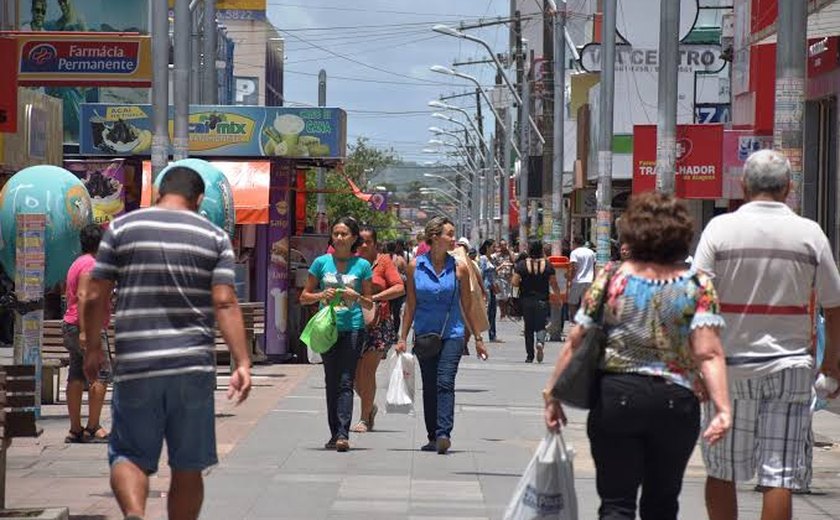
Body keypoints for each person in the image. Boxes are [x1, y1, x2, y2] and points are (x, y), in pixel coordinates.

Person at [544, 192, 732, 520]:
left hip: (617, 397)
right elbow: (709, 352)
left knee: (616, 504)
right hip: (676, 401)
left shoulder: (612, 279)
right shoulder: (697, 284)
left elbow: (576, 339)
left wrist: (553, 394)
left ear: (632, 232)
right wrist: (723, 408)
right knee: (662, 503)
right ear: (682, 235)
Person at [82, 166, 252, 520]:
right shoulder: (214, 237)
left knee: (129, 453)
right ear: (200, 199)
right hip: (192, 366)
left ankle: (133, 513)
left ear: (158, 191)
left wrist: (93, 348)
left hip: (137, 364)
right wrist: (242, 362)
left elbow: (95, 294)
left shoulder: (122, 228)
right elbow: (224, 301)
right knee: (188, 465)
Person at [693, 149, 840, 520]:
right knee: (779, 475)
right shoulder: (810, 234)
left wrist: (695, 363)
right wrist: (832, 364)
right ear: (789, 188)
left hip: (727, 367)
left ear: (743, 186)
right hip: (790, 368)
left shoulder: (719, 230)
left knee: (721, 469)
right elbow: (834, 304)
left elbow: (697, 302)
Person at [397, 217, 489, 454]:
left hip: (453, 334)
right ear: (435, 237)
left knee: (445, 381)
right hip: (425, 333)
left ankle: (443, 433)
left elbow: (468, 307)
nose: (454, 238)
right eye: (449, 234)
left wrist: (478, 339)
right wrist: (402, 337)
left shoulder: (459, 268)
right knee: (429, 385)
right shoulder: (415, 266)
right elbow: (411, 305)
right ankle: (432, 435)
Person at [300, 217, 374, 452]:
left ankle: (343, 433)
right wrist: (322, 295)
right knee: (331, 380)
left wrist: (357, 297)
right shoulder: (321, 263)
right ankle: (334, 433)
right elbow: (304, 296)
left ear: (354, 238)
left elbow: (370, 303)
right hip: (328, 329)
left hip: (353, 328)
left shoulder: (362, 266)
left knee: (345, 380)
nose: (339, 238)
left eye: (344, 234)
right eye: (336, 234)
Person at [352, 226, 404, 433]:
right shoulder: (352, 262)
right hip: (354, 322)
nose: (364, 245)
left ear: (375, 243)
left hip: (378, 324)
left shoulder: (383, 262)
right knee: (354, 376)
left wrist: (374, 297)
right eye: (360, 241)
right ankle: (369, 406)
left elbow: (399, 287)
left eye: (368, 241)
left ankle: (364, 419)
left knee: (367, 371)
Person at [62, 224, 111, 444]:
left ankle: (75, 428)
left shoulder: (77, 263)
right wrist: (84, 331)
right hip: (87, 327)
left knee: (76, 373)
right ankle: (93, 426)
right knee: (101, 374)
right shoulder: (92, 265)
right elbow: (83, 296)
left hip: (70, 323)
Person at [512, 240, 561, 363]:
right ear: (541, 250)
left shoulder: (522, 265)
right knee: (540, 325)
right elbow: (553, 283)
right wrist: (558, 297)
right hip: (542, 300)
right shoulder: (548, 265)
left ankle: (530, 355)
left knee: (528, 328)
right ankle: (540, 342)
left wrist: (514, 297)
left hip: (526, 300)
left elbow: (514, 282)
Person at [568, 237, 596, 322]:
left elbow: (574, 268)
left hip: (577, 280)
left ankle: (575, 320)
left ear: (575, 242)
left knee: (572, 302)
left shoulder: (574, 253)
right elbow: (594, 266)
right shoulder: (591, 252)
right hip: (589, 280)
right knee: (585, 302)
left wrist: (570, 279)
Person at [478, 239, 499, 342]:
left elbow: (493, 274)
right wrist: (481, 289)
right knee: (486, 311)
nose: (494, 249)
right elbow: (480, 274)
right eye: (493, 247)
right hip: (486, 287)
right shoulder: (483, 259)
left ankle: (492, 335)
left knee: (492, 311)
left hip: (492, 287)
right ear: (487, 247)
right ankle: (478, 333)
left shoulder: (492, 259)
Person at [387, 240, 408, 337]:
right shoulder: (400, 259)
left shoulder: (384, 259)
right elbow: (406, 273)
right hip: (399, 290)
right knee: (396, 312)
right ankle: (395, 332)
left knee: (388, 312)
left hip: (387, 289)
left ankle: (389, 332)